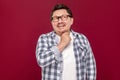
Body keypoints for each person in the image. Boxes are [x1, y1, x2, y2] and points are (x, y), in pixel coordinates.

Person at [36, 4, 96, 80]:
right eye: (56, 18)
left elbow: (90, 65)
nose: (60, 21)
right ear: (52, 22)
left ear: (71, 20)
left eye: (64, 17)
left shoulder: (82, 38)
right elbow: (41, 60)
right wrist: (62, 43)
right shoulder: (44, 39)